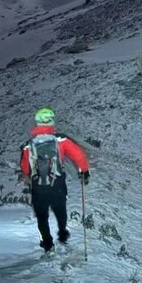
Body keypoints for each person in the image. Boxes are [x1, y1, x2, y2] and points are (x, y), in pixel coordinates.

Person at [20, 108, 90, 252]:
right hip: (57, 183)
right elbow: (79, 155)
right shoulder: (60, 140)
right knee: (60, 208)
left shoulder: (29, 145)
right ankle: (63, 233)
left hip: (38, 185)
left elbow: (25, 167)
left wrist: (28, 176)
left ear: (37, 123)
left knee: (42, 215)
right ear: (52, 121)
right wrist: (84, 171)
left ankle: (46, 243)